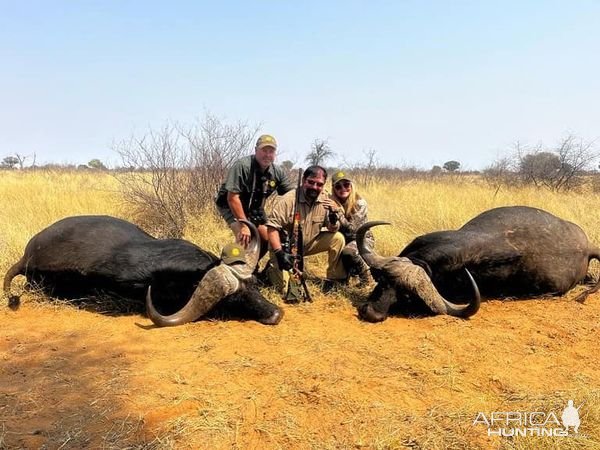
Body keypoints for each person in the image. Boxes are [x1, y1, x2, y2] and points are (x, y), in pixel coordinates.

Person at [266, 165, 347, 295]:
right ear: (304, 180)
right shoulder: (289, 200)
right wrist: (280, 253)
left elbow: (333, 229)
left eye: (319, 184)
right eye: (311, 182)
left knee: (338, 238)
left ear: (324, 184)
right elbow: (271, 228)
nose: (315, 187)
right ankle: (270, 271)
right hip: (285, 249)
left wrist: (333, 218)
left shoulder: (327, 200)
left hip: (309, 244)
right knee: (287, 291)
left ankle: (334, 279)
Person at [215, 134, 294, 261]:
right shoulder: (242, 166)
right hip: (230, 205)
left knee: (266, 238)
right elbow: (232, 198)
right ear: (256, 150)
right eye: (264, 150)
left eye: (271, 151)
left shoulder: (277, 172)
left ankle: (252, 266)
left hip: (255, 208)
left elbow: (291, 195)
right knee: (245, 237)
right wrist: (244, 225)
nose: (267, 155)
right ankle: (231, 269)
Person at [323, 170, 373, 286]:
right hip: (343, 238)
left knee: (348, 252)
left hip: (361, 239)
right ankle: (343, 278)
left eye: (346, 185)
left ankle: (367, 277)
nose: (343, 189)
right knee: (336, 247)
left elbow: (352, 229)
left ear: (351, 185)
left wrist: (337, 211)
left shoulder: (360, 203)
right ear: (334, 189)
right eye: (338, 186)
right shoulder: (332, 202)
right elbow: (333, 226)